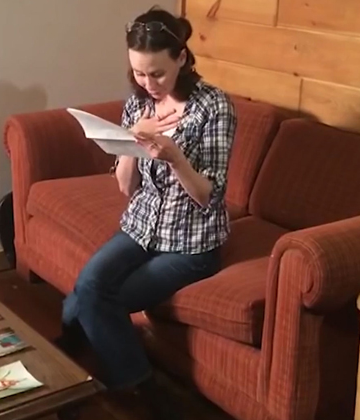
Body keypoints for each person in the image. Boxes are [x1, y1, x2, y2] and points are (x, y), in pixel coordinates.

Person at [56, 6, 236, 420]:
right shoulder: (139, 103)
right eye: (138, 73)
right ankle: (114, 372)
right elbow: (127, 188)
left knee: (95, 299)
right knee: (89, 285)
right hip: (141, 227)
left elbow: (207, 196)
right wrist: (130, 145)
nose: (148, 83)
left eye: (157, 73)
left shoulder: (214, 108)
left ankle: (136, 389)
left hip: (191, 244)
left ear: (182, 59)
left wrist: (173, 156)